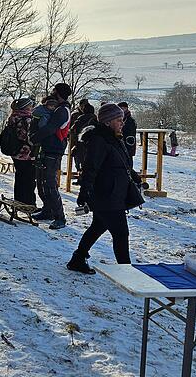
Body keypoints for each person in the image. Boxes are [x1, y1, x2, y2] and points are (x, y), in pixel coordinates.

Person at [68, 102, 140, 273]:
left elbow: (121, 162)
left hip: (113, 192)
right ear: (108, 121)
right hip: (106, 193)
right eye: (118, 120)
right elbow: (91, 167)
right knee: (121, 233)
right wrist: (84, 190)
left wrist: (134, 176)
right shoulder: (99, 139)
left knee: (98, 227)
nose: (122, 123)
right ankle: (126, 271)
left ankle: (78, 259)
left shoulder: (113, 137)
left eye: (122, 120)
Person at [30, 83, 72, 230]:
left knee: (49, 184)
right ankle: (47, 210)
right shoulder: (58, 108)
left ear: (58, 93)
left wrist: (33, 138)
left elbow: (50, 128)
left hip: (54, 150)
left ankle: (60, 217)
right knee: (41, 182)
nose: (52, 92)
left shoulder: (62, 111)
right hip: (47, 148)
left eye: (54, 90)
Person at [6, 98, 37, 206]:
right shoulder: (27, 119)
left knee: (19, 177)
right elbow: (28, 138)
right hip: (26, 154)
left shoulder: (12, 117)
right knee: (29, 180)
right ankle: (29, 204)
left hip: (15, 152)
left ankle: (19, 200)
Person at [70, 102, 96, 174]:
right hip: (92, 144)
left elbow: (72, 129)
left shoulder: (80, 118)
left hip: (81, 142)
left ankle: (81, 176)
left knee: (81, 161)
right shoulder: (96, 119)